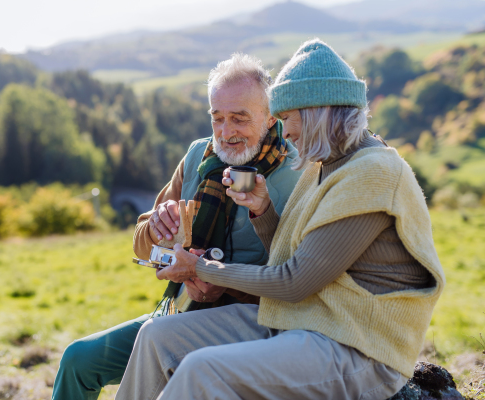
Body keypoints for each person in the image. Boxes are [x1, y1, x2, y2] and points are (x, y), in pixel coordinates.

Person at [114, 39, 446, 400]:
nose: (284, 134)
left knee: (202, 371)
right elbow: (291, 259)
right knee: (158, 337)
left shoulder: (374, 173)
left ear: (317, 111)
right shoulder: (322, 167)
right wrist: (263, 211)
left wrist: (199, 268)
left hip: (357, 348)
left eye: (287, 119)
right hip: (302, 322)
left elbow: (293, 282)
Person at [51, 54, 303, 400]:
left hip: (255, 324)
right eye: (217, 118)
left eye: (240, 119)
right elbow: (141, 244)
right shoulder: (198, 155)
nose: (226, 132)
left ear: (270, 115)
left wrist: (217, 281)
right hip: (183, 310)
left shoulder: (298, 170)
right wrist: (156, 227)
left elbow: (300, 273)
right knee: (79, 359)